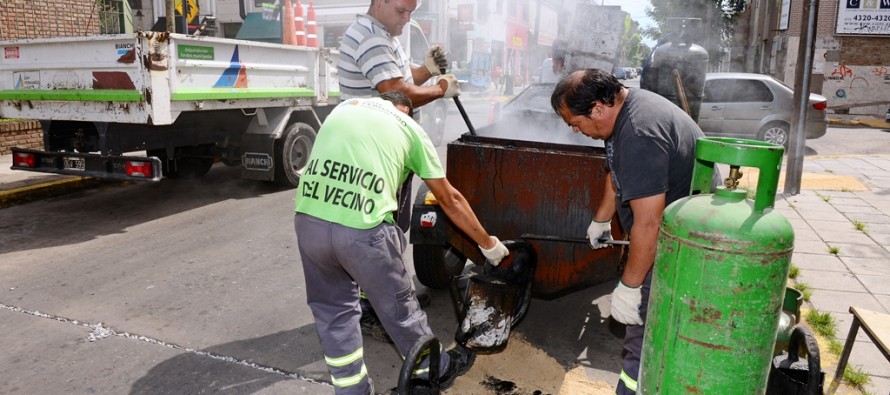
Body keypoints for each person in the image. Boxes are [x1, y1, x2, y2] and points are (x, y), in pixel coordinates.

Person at [294, 92, 510, 395]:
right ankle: (437, 370)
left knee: (334, 313)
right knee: (400, 310)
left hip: (309, 220)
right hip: (362, 230)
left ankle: (352, 390)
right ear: (407, 111)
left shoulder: (345, 108)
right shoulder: (409, 129)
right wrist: (487, 244)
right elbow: (450, 199)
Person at [550, 69, 706, 395]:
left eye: (576, 124)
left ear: (597, 108)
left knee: (642, 334)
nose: (578, 132)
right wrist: (602, 219)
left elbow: (650, 224)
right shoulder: (623, 116)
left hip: (683, 243)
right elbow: (615, 171)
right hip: (670, 230)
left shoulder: (639, 133)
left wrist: (630, 286)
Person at [337, 0, 461, 343]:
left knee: (389, 229)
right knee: (378, 232)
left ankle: (381, 297)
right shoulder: (371, 39)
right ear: (379, 3)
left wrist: (425, 70)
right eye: (402, 11)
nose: (407, 19)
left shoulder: (384, 35)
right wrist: (439, 89)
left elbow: (402, 79)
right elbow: (397, 93)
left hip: (383, 150)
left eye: (411, 11)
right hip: (372, 151)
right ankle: (371, 310)